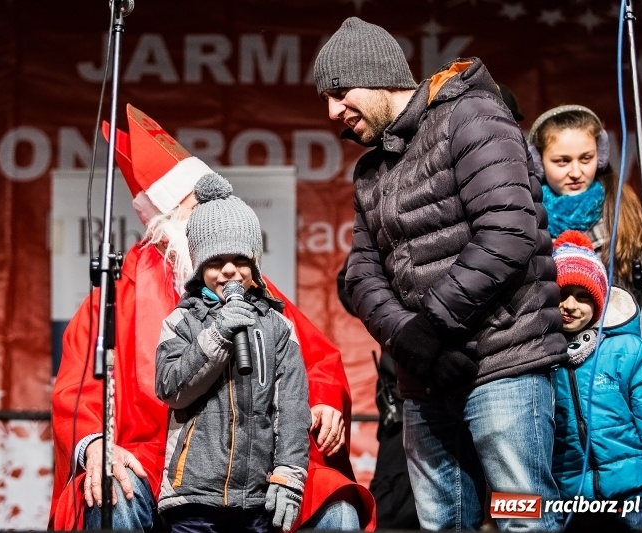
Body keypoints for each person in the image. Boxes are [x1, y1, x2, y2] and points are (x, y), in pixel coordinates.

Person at [48, 104, 376, 531]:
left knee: (337, 510)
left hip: (257, 457)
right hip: (152, 456)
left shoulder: (250, 287)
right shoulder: (113, 297)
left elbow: (314, 358)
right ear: (167, 218)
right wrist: (95, 445)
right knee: (114, 492)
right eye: (196, 205)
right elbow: (77, 387)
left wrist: (326, 401)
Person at [313, 16, 568, 531]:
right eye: (326, 100)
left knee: (524, 520)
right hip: (423, 381)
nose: (333, 112)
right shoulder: (370, 171)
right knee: (441, 526)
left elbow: (508, 230)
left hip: (503, 365)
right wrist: (412, 341)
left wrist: (429, 327)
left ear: (377, 75)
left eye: (339, 93)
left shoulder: (471, 115)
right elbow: (360, 276)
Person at [155, 173, 310, 532]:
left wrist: (289, 473)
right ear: (200, 267)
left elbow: (292, 406)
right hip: (192, 497)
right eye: (216, 261)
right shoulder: (182, 321)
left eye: (240, 258)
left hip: (258, 499)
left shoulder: (278, 326)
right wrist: (219, 334)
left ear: (254, 264)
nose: (229, 270)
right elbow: (170, 389)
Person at [550, 230, 642, 532]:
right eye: (562, 294)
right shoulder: (543, 359)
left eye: (583, 296)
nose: (570, 305)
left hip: (634, 492)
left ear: (598, 303)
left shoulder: (628, 351)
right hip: (572, 499)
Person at [527, 104, 642, 301]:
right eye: (562, 161)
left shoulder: (624, 210)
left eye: (586, 158)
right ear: (538, 162)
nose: (576, 172)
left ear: (601, 156)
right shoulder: (528, 217)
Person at [336, 260, 419, 530]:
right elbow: (349, 282)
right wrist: (394, 317)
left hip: (469, 383)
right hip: (404, 393)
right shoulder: (385, 233)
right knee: (393, 508)